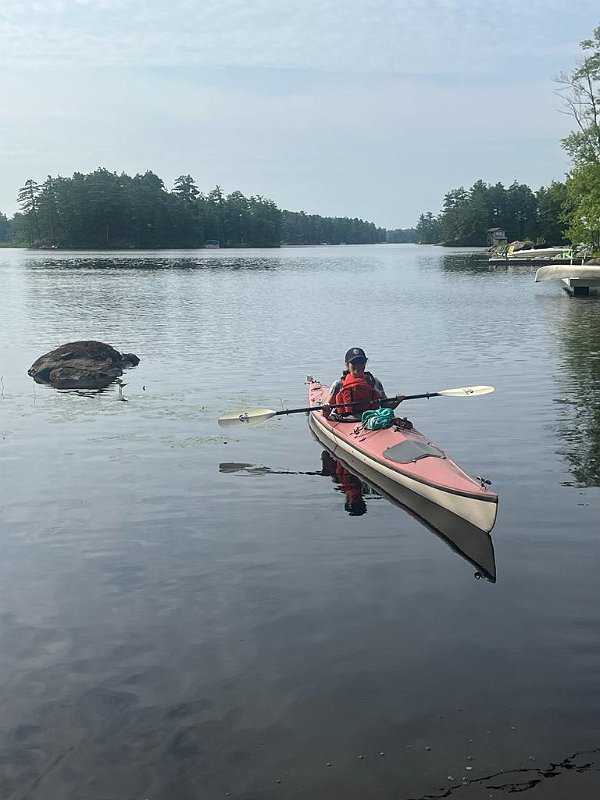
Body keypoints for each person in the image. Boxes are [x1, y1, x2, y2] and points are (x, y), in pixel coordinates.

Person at [322, 347, 404, 421]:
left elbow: (387, 407)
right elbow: (325, 414)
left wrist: (397, 401)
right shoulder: (338, 385)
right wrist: (325, 408)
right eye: (354, 363)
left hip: (371, 419)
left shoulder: (375, 382)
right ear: (347, 365)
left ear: (365, 363)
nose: (358, 366)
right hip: (345, 420)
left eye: (361, 362)